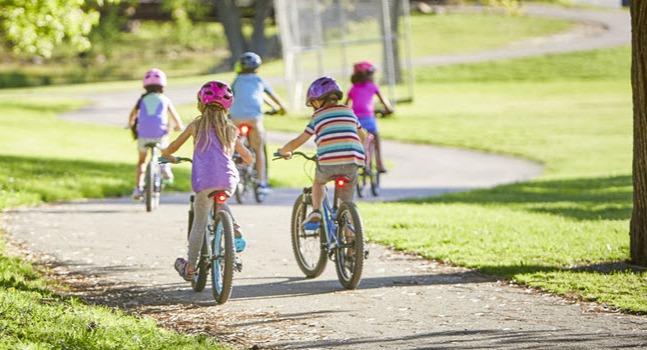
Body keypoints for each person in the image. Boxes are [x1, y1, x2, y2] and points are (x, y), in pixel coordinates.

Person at [161, 80, 254, 281]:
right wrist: (239, 159)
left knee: (199, 222)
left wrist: (167, 154)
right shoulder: (231, 129)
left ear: (201, 103)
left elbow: (173, 147)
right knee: (221, 201)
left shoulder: (196, 125)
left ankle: (191, 267)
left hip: (204, 180)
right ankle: (235, 227)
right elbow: (248, 157)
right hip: (228, 179)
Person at [277, 77, 366, 224]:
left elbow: (298, 141)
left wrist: (283, 151)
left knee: (318, 182)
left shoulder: (317, 117)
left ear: (318, 101)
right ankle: (352, 240)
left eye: (312, 103)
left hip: (328, 164)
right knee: (346, 204)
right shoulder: (349, 112)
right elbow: (362, 136)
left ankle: (316, 211)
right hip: (352, 161)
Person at [229, 52, 287, 193]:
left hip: (236, 118)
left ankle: (231, 177)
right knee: (258, 149)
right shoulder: (259, 80)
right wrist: (282, 109)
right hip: (254, 119)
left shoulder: (237, 81)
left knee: (232, 147)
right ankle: (262, 183)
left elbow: (231, 96)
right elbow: (271, 96)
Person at [128, 68, 184, 200]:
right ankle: (164, 165)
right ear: (162, 85)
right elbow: (176, 118)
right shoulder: (164, 99)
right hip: (160, 134)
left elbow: (132, 116)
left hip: (143, 135)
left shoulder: (141, 100)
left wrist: (131, 126)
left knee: (142, 161)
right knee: (165, 149)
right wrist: (178, 127)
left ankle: (138, 188)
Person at [344, 61, 392, 173]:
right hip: (369, 119)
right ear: (367, 75)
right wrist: (388, 110)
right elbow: (383, 100)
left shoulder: (353, 89)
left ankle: (362, 162)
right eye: (372, 74)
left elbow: (346, 105)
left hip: (356, 120)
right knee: (376, 136)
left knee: (359, 140)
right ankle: (380, 164)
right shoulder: (372, 86)